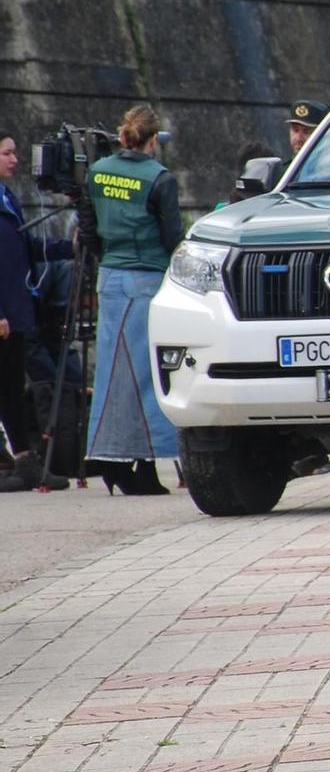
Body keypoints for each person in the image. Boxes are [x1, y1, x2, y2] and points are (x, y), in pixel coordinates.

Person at [82, 106, 180, 494]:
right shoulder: (160, 179)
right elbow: (173, 236)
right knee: (145, 376)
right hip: (148, 279)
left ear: (123, 137)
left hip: (111, 277)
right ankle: (140, 462)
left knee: (111, 373)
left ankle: (111, 457)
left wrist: (106, 258)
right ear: (153, 139)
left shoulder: (97, 171)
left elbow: (87, 230)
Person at [0, 134, 72, 491]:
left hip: (16, 310)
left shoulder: (6, 197)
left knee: (13, 386)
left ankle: (25, 458)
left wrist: (65, 249)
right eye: (7, 153)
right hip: (4, 312)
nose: (15, 160)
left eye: (15, 153)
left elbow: (24, 246)